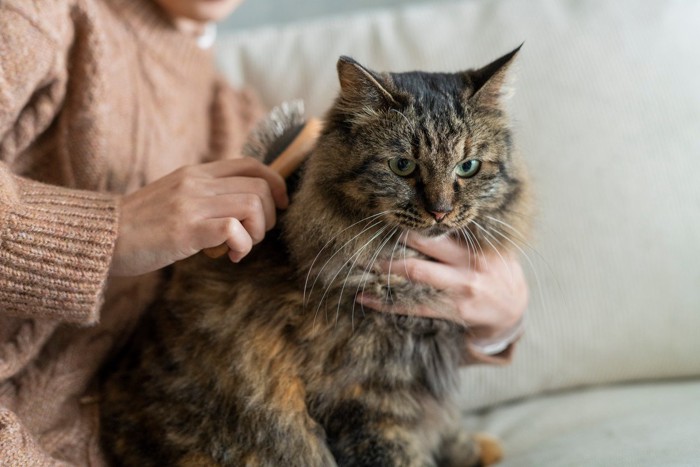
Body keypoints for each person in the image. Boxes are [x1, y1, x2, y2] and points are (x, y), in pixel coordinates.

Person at [0, 0, 527, 464]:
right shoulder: (37, 19)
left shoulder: (229, 112)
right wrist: (112, 233)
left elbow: (349, 349)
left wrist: (499, 321)